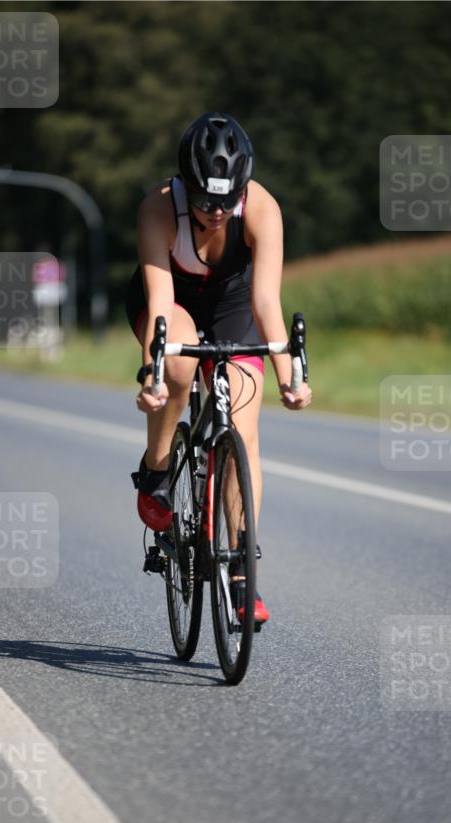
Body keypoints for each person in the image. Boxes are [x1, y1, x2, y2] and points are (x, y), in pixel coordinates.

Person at [126, 112, 312, 623]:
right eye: (206, 201)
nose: (216, 212)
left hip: (234, 305)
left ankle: (241, 570)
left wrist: (289, 379)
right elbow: (160, 302)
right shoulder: (158, 209)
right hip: (173, 302)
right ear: (185, 185)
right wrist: (154, 376)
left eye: (227, 201)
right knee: (180, 366)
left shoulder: (263, 210)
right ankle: (158, 470)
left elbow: (266, 304)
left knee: (243, 421)